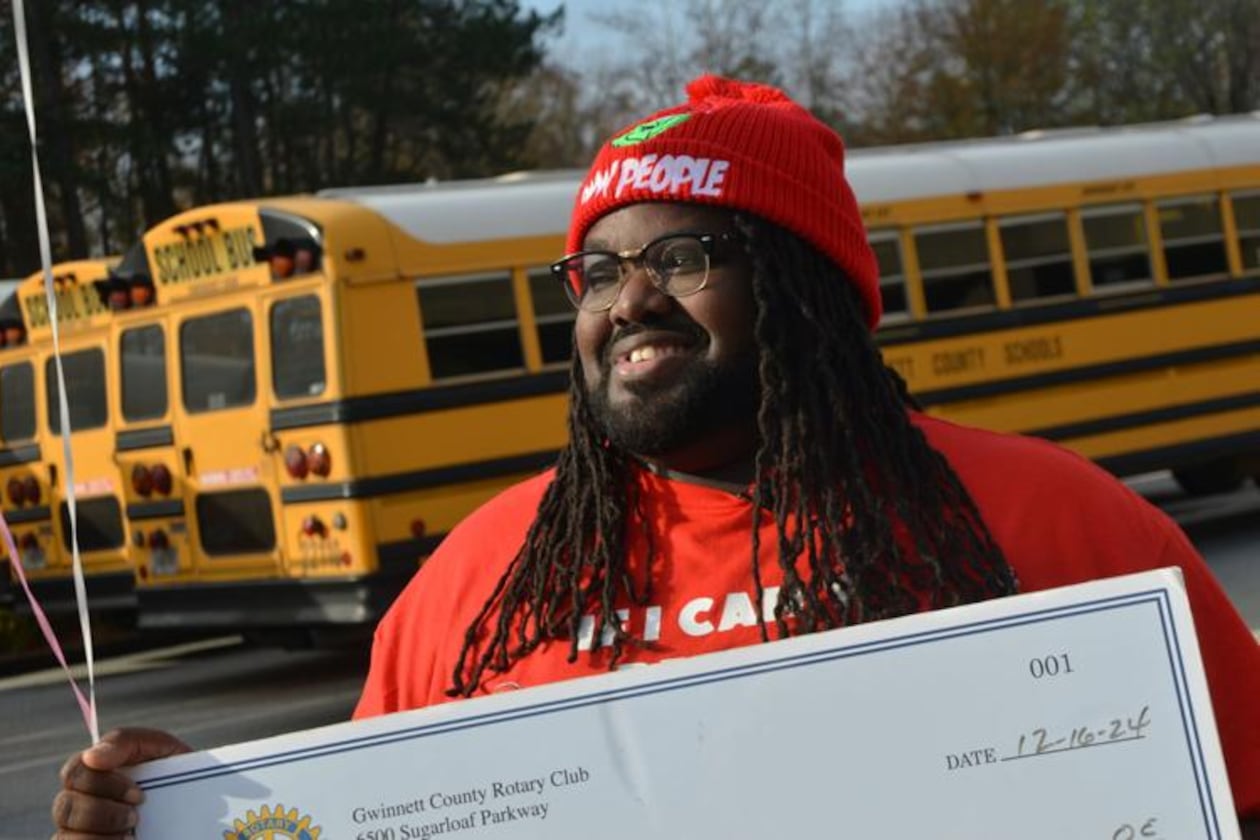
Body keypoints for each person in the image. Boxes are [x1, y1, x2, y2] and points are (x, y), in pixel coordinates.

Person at [52, 75, 1260, 838]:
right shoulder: (474, 585)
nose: (629, 300)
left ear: (803, 289)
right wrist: (201, 816)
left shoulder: (1064, 524)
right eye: (599, 270)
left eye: (684, 256)